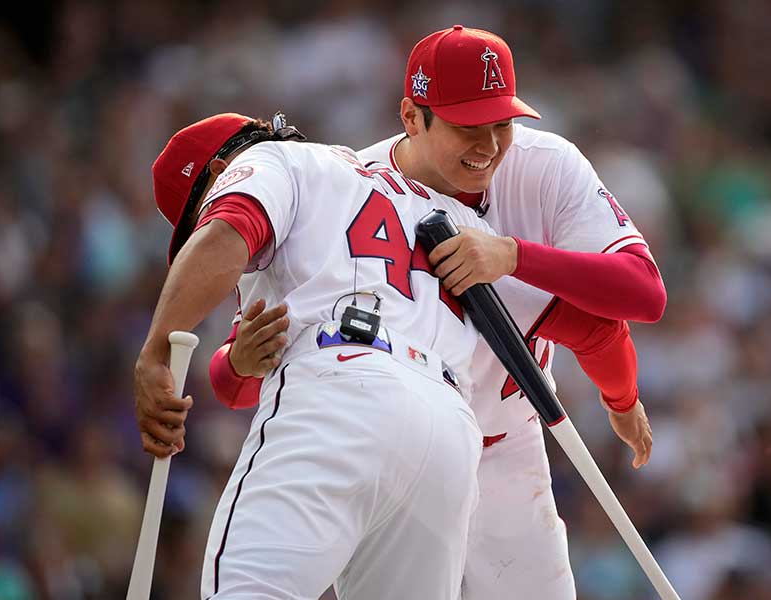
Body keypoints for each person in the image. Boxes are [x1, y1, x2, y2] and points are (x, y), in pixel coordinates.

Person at [210, 26, 666, 600]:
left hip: (505, 441)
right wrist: (241, 364)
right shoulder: (350, 183)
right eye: (467, 125)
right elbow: (237, 382)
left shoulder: (544, 166)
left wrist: (514, 256)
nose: (490, 144)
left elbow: (640, 297)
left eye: (502, 122)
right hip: (396, 426)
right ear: (412, 116)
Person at [134, 112, 505, 600]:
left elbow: (227, 230)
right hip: (448, 429)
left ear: (225, 168)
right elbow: (235, 381)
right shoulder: (434, 201)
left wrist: (155, 351)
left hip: (342, 392)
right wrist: (241, 361)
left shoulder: (270, 160)